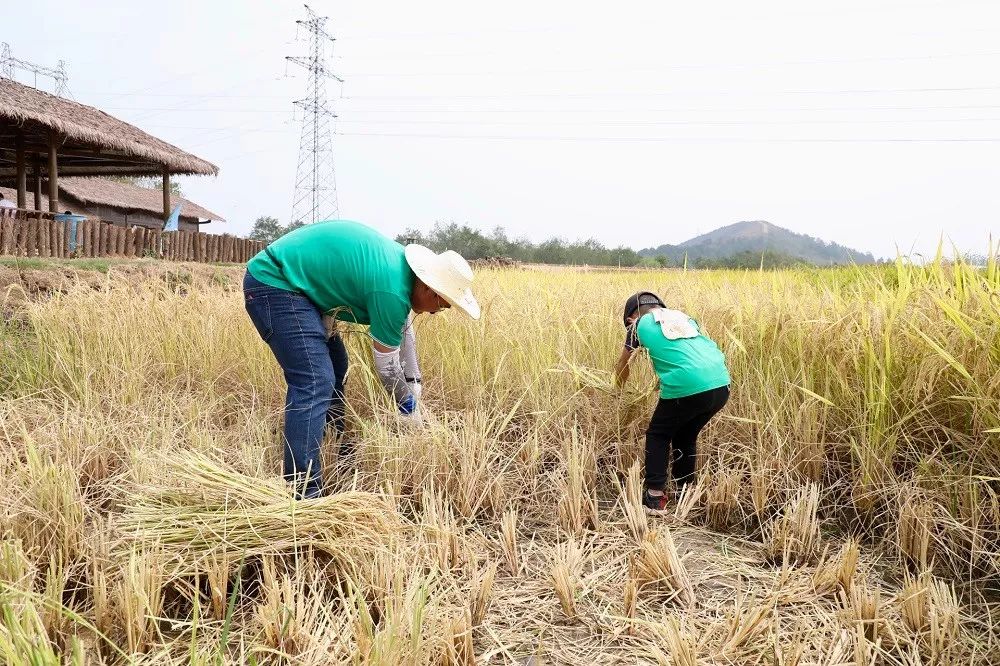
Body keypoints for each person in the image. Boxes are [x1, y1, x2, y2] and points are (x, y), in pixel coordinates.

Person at [244, 220, 480, 499]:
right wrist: (408, 406)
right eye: (444, 303)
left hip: (302, 290)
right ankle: (304, 493)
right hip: (275, 283)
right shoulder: (391, 289)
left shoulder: (402, 275)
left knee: (337, 368)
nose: (438, 311)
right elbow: (387, 368)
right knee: (316, 380)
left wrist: (415, 383)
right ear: (430, 289)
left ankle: (336, 447)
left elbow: (404, 330)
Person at [614, 291, 730, 514]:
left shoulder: (637, 325)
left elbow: (623, 363)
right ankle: (685, 489)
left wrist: (617, 388)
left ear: (630, 318)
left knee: (658, 434)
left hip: (688, 385)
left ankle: (655, 496)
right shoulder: (682, 317)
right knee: (685, 435)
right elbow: (687, 355)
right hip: (721, 383)